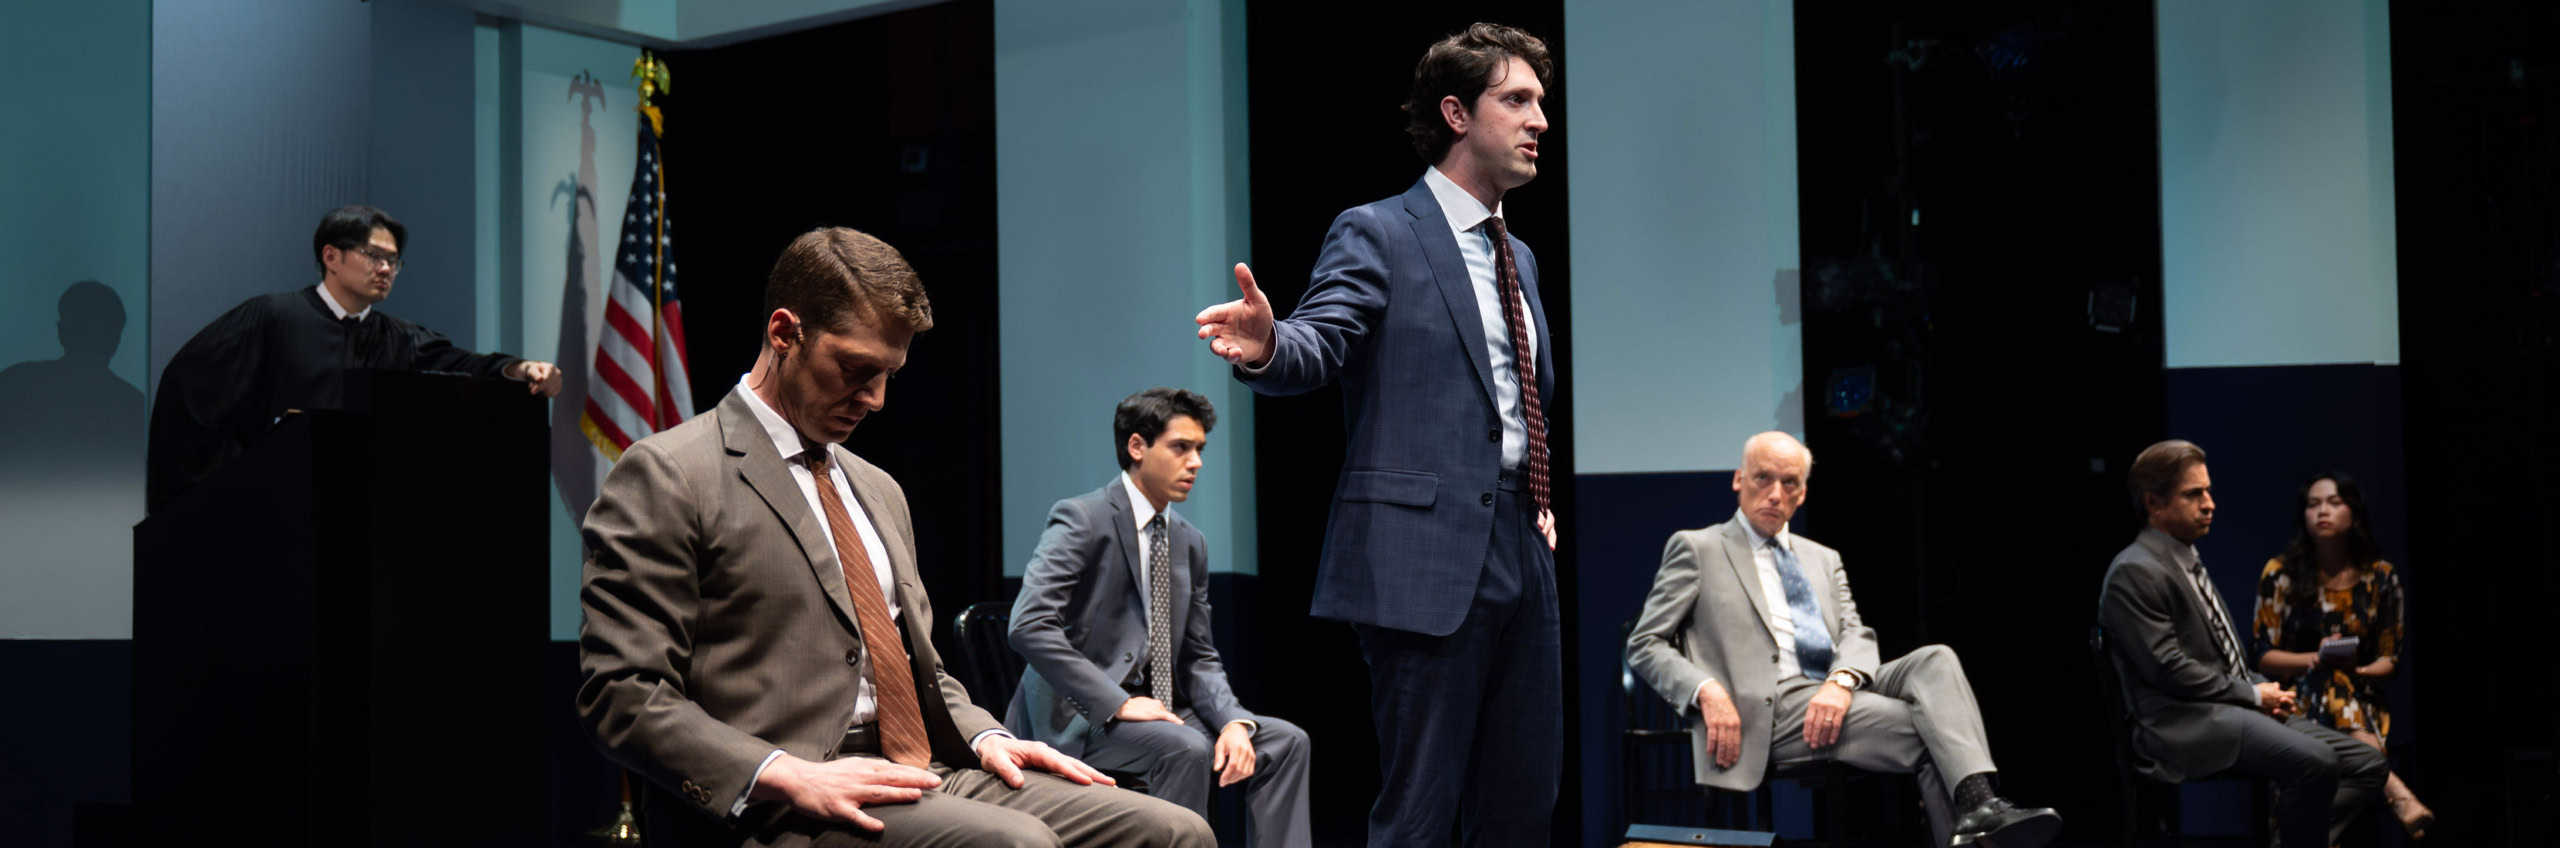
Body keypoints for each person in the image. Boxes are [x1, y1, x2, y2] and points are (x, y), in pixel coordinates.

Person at [578, 227, 1211, 848]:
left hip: (927, 770)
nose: (876, 399)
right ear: (783, 333)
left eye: (889, 374)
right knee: (1013, 843)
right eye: (856, 369)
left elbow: (921, 669)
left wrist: (989, 737)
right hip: (789, 795)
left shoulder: (877, 488)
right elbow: (623, 692)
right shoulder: (672, 472)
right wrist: (781, 773)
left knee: (1175, 830)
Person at [1193, 22, 1560, 845]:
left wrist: (1535, 495)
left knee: (1522, 801)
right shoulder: (1381, 230)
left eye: (1543, 102)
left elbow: (1513, 397)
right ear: (1458, 113)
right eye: (1518, 100)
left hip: (1520, 546)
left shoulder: (1522, 257)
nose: (1540, 119)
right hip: (1422, 555)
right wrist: (1268, 343)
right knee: (1420, 809)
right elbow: (1322, 339)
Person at [1626, 432, 2061, 848]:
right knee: (1932, 727)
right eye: (1763, 478)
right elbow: (1645, 643)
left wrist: (1841, 682)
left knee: (1936, 659)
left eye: (1789, 482)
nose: (1775, 493)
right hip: (1770, 706)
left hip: (1836, 690)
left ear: (1803, 494)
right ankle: (1978, 820)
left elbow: (1855, 633)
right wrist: (1707, 691)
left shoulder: (1822, 557)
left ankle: (1979, 807)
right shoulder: (1698, 548)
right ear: (1739, 480)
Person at [1005, 387, 1313, 847]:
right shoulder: (1082, 518)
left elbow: (1199, 656)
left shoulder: (1190, 541)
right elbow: (1028, 624)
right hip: (1086, 715)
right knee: (1185, 748)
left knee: (1284, 742)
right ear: (1137, 447)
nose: (1196, 463)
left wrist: (1232, 720)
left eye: (1200, 450)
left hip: (1163, 711)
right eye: (1181, 448)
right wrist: (1117, 701)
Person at [146, 205, 563, 510]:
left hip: (360, 515)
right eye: (373, 255)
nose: (385, 269)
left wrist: (520, 369)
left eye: (393, 260)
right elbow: (190, 391)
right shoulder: (271, 318)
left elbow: (465, 365)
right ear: (331, 257)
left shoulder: (398, 337)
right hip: (272, 509)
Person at [2097, 440, 2386, 848]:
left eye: (2208, 491)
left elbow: (2223, 654)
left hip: (2225, 707)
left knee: (2368, 764)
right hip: (2180, 725)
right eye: (2194, 494)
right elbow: (2169, 669)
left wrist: (2261, 692)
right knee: (2316, 763)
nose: (2209, 504)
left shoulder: (2184, 558)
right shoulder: (2136, 571)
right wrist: (2252, 694)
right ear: (2154, 503)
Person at [2252, 471, 2432, 838]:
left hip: (2361, 695)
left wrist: (2357, 669)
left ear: (2354, 512)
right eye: (2313, 504)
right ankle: (2395, 791)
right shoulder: (2280, 573)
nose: (2323, 511)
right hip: (2294, 699)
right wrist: (2315, 659)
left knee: (2338, 681)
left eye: (2334, 502)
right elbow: (2264, 657)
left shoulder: (2379, 577)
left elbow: (2390, 660)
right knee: (2327, 677)